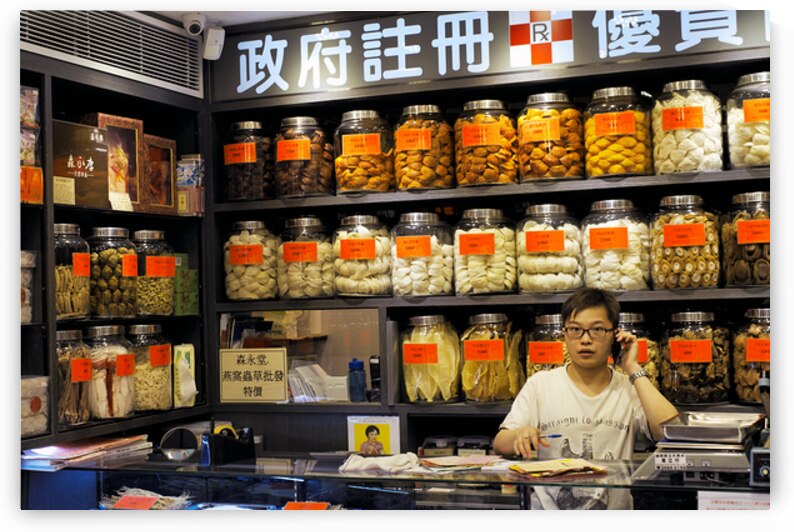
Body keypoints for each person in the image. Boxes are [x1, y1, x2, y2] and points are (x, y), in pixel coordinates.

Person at [493, 287, 679, 510]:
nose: (585, 339)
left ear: (615, 335)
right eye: (575, 330)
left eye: (597, 330)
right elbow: (500, 444)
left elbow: (670, 431)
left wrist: (632, 367)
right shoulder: (541, 384)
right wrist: (518, 435)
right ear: (564, 334)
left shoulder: (628, 389)